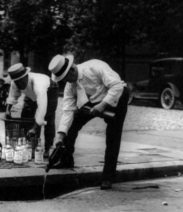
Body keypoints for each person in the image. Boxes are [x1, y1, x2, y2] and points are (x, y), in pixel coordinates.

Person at [49, 54, 129, 190]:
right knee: (71, 126)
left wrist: (103, 105)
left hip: (116, 97)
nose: (65, 82)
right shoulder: (70, 85)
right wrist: (60, 136)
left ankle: (108, 178)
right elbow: (67, 111)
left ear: (72, 70)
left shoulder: (95, 67)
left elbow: (117, 86)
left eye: (65, 78)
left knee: (112, 137)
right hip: (90, 102)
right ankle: (66, 160)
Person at [4, 63, 58, 157]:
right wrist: (8, 110)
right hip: (30, 94)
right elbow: (13, 95)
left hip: (50, 90)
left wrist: (35, 127)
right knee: (26, 116)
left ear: (26, 76)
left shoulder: (39, 84)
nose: (19, 84)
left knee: (47, 118)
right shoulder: (15, 81)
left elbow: (42, 107)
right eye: (17, 82)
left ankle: (48, 147)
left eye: (21, 81)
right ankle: (29, 146)